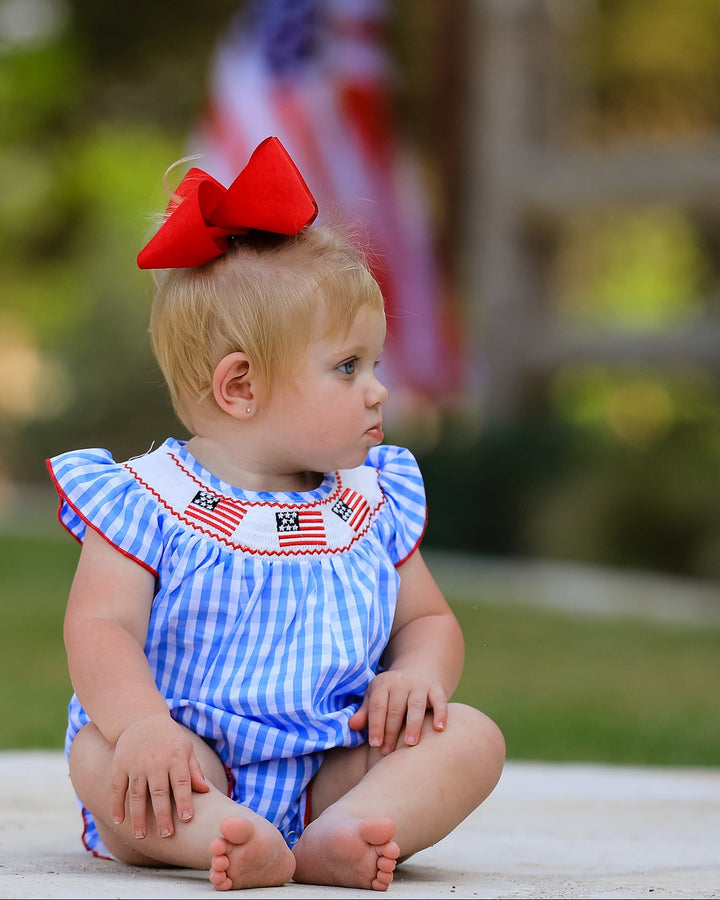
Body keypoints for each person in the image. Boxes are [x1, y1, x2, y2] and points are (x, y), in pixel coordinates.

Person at [47, 137, 505, 893]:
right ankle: (217, 837)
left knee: (473, 738)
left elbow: (428, 620)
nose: (379, 391)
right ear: (240, 389)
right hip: (189, 763)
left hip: (336, 765)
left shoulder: (370, 501)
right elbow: (100, 629)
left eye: (376, 363)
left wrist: (419, 674)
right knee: (100, 753)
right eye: (349, 367)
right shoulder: (150, 500)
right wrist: (143, 728)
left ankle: (344, 832)